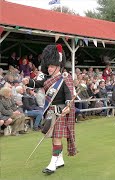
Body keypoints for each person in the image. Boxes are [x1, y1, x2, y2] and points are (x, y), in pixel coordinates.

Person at [22, 44, 76, 174]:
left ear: (58, 65)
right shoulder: (47, 78)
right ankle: (60, 159)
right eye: (49, 66)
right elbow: (37, 83)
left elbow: (69, 95)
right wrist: (27, 81)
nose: (49, 68)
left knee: (57, 137)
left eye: (52, 66)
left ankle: (52, 164)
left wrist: (68, 107)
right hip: (50, 112)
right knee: (54, 138)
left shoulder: (64, 78)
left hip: (60, 112)